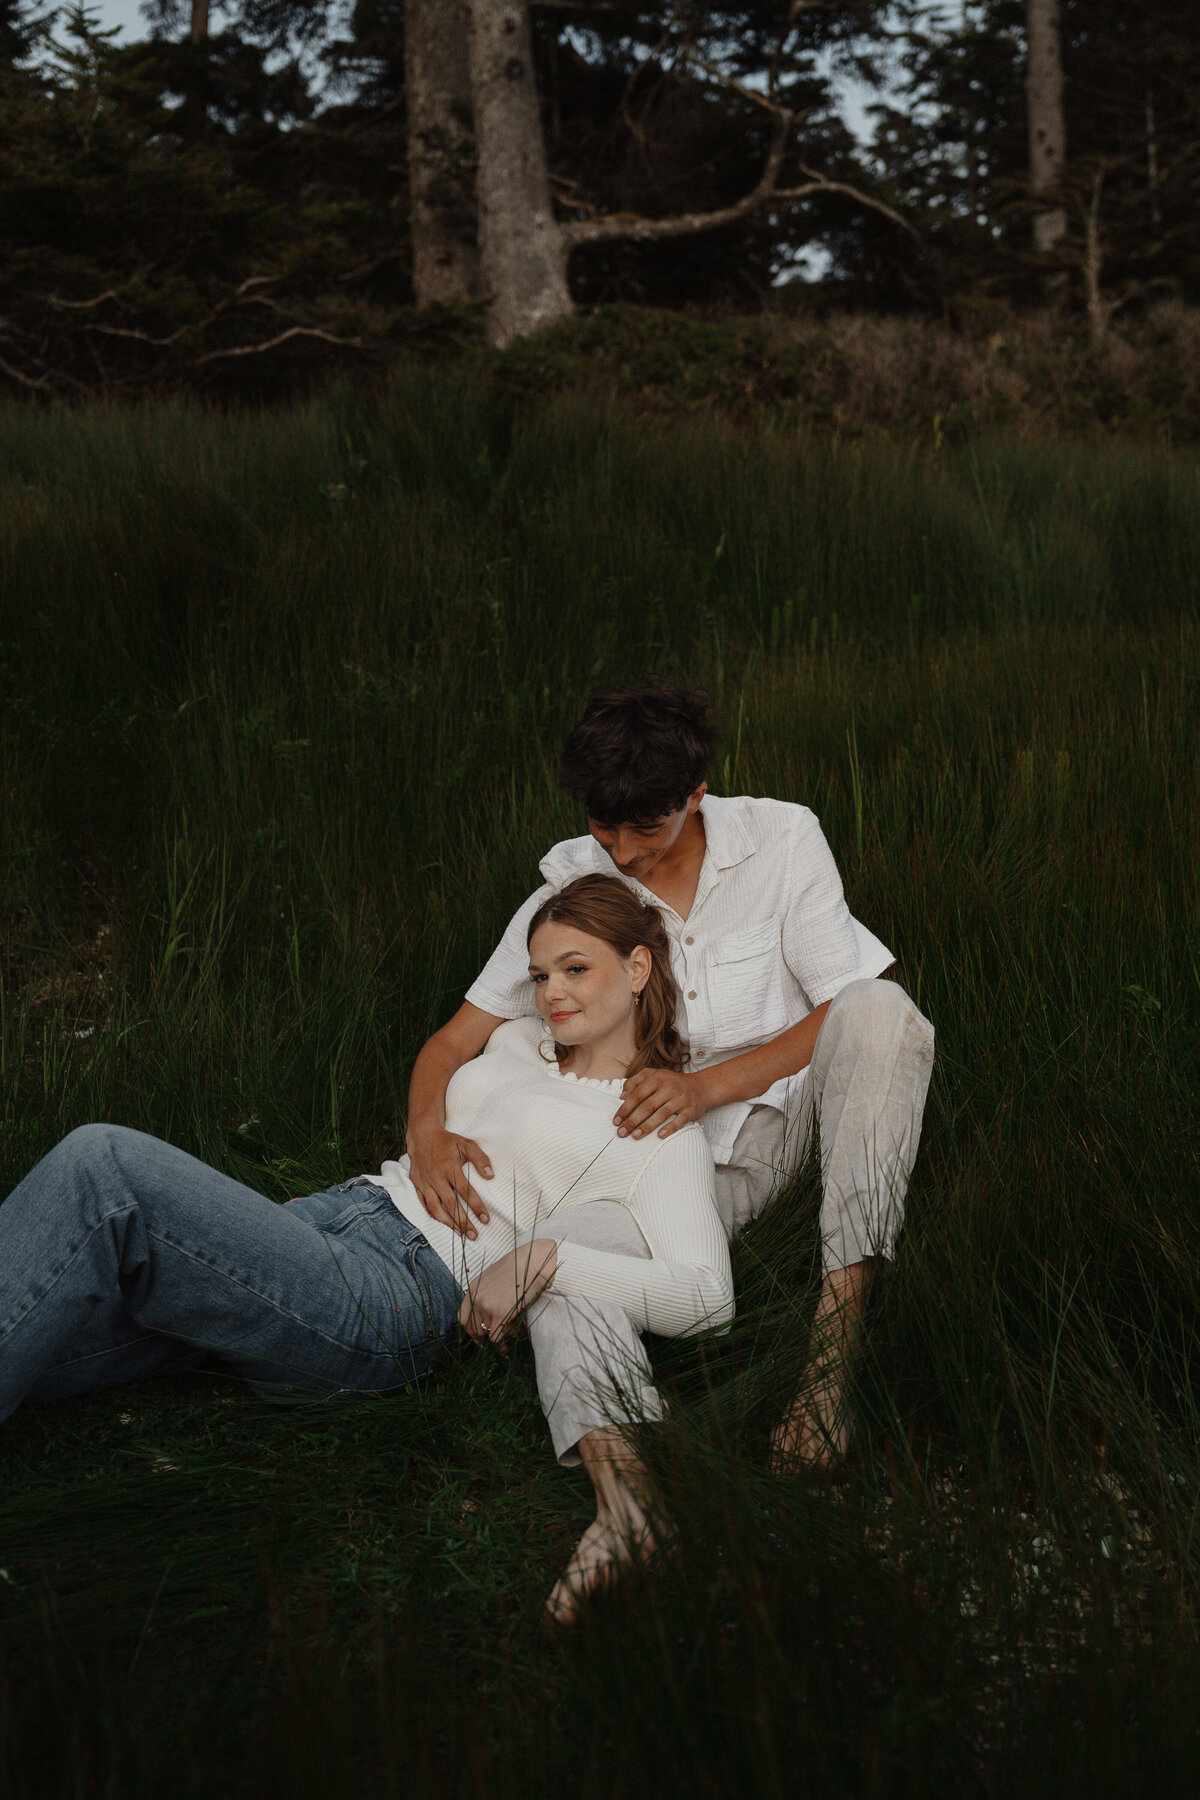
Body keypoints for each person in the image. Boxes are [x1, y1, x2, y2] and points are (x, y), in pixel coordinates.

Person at [0, 875, 732, 1615]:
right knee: (60, 1306)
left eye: (576, 969)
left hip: (396, 1292)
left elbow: (709, 1300)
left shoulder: (658, 1131)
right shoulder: (517, 1042)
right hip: (340, 1213)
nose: (551, 992)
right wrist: (427, 1132)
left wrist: (550, 1260)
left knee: (105, 1169)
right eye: (541, 974)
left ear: (638, 969)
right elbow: (444, 1058)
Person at [405, 683, 935, 1472]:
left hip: (791, 1124)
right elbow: (452, 1041)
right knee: (559, 1257)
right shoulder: (572, 888)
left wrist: (706, 1088)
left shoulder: (783, 839)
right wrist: (426, 1135)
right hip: (655, 1168)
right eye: (602, 825)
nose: (621, 850)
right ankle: (628, 1481)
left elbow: (841, 1008)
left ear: (696, 794)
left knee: (884, 1009)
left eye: (644, 826)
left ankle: (831, 1366)